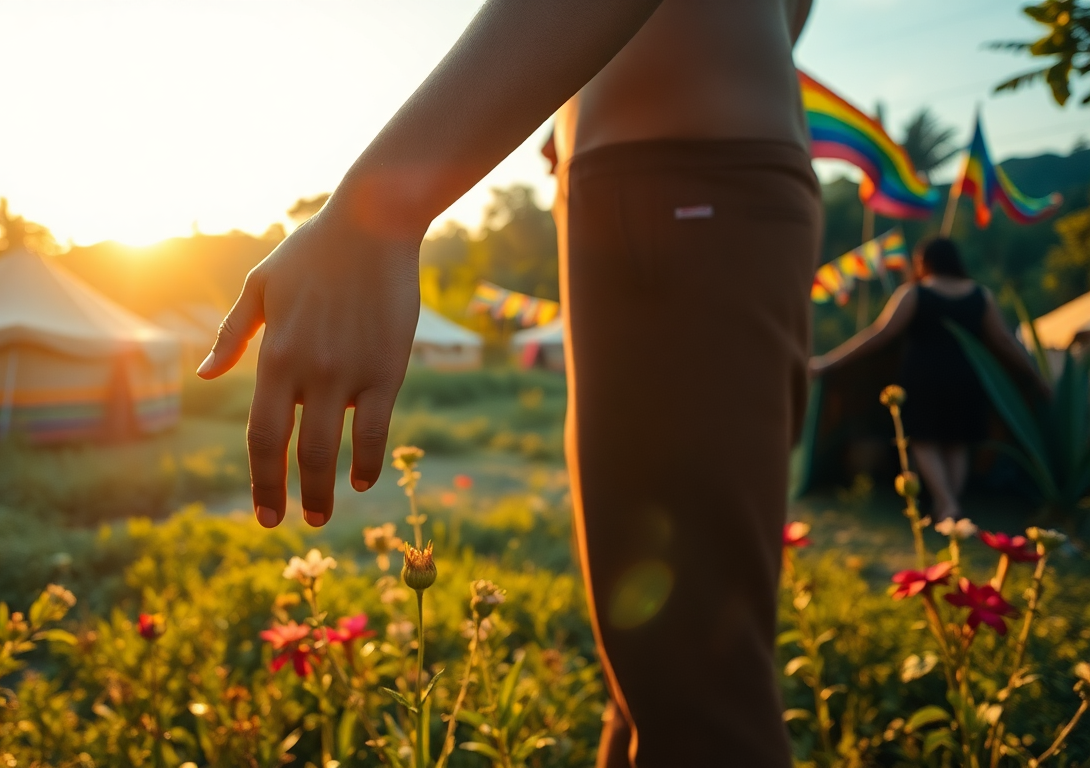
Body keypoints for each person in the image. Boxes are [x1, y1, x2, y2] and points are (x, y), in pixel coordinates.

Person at [197, 1, 817, 765]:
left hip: (681, 181)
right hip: (665, 180)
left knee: (699, 693)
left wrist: (377, 212)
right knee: (653, 675)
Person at [809, 237, 1046, 521]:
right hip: (966, 377)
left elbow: (881, 334)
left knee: (924, 439)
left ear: (924, 262)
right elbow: (1005, 341)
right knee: (956, 442)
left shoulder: (913, 293)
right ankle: (950, 506)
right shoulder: (981, 296)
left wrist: (830, 362)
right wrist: (1036, 376)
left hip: (923, 377)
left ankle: (947, 505)